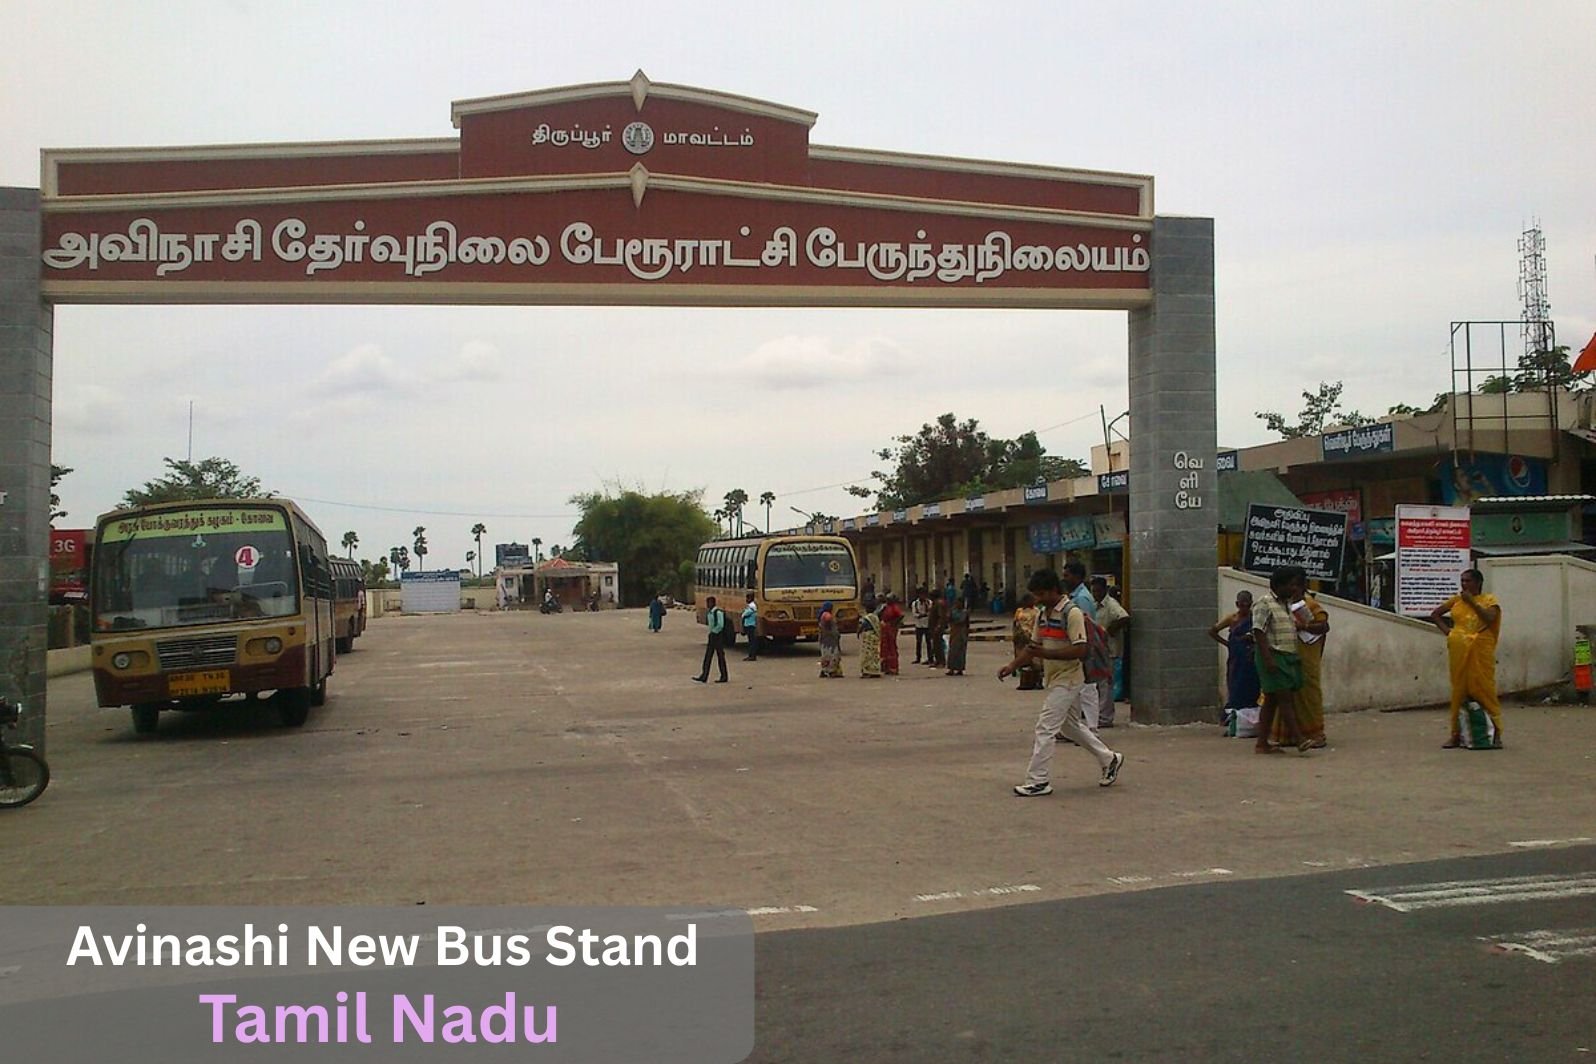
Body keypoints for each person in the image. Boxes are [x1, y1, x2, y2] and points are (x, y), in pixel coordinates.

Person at [1001, 568, 1125, 796]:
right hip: (1054, 677)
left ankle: (1038, 780)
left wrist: (1046, 654)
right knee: (1070, 727)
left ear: (1053, 591)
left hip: (1069, 679)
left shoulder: (1072, 613)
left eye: (1040, 594)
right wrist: (1013, 666)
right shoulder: (1043, 615)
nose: (1037, 600)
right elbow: (1033, 647)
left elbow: (1080, 649)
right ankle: (1109, 758)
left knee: (1045, 727)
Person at [1429, 568, 1503, 748]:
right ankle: (1455, 734)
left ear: (1478, 582)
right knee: (1459, 691)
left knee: (1484, 689)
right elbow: (1435, 614)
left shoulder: (1489, 600)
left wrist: (1473, 603)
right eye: (1462, 581)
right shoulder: (1456, 601)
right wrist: (1450, 633)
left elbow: (1489, 619)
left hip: (1480, 650)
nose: (1464, 584)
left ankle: (1496, 734)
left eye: (1468, 581)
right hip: (1459, 650)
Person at [1250, 568, 1312, 754]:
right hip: (1272, 654)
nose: (1294, 588)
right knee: (1285, 698)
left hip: (1286, 655)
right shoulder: (1264, 603)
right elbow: (1258, 631)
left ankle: (1262, 743)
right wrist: (1268, 660)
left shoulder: (1287, 604)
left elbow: (1309, 620)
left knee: (1272, 701)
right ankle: (1299, 738)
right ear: (1279, 585)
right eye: (1291, 584)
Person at [1275, 577, 1329, 748]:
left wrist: (1302, 627)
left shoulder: (1311, 606)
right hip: (1289, 655)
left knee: (1309, 696)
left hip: (1307, 657)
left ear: (1302, 587)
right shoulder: (1284, 605)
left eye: (1294, 586)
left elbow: (1323, 627)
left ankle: (1315, 734)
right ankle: (1290, 736)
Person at [1209, 590, 1261, 721]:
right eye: (1241, 605)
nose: (1244, 608)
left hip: (1251, 658)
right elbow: (1212, 631)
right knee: (1235, 685)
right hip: (1236, 659)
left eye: (1247, 605)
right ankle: (1232, 716)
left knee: (1252, 687)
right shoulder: (1231, 619)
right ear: (1237, 604)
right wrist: (1227, 644)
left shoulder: (1255, 618)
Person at [1090, 577, 1130, 727]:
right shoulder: (1094, 605)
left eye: (1098, 591)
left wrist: (1111, 630)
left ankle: (1105, 718)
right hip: (1098, 650)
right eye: (1093, 591)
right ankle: (1099, 714)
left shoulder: (1111, 605)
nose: (1095, 594)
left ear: (1104, 590)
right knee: (1098, 685)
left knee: (1106, 685)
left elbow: (1124, 617)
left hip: (1110, 651)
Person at [692, 595, 730, 684]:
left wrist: (714, 632)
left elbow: (721, 625)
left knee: (720, 656)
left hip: (717, 636)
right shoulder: (710, 613)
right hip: (712, 635)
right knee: (708, 657)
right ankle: (704, 676)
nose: (707, 605)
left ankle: (724, 676)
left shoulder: (718, 612)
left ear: (713, 603)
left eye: (708, 603)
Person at [1011, 593, 1042, 690]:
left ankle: (1037, 681)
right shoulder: (1019, 611)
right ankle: (1026, 681)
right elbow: (1015, 623)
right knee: (1022, 658)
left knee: (1034, 660)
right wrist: (1015, 635)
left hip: (1032, 636)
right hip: (1021, 636)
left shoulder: (1037, 611)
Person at [817, 600, 843, 678]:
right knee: (833, 655)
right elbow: (828, 619)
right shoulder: (827, 615)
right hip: (830, 640)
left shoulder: (822, 614)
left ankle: (825, 670)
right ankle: (831, 671)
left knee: (825, 655)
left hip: (825, 640)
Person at [879, 594, 904, 675]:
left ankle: (893, 668)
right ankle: (886, 667)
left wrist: (893, 623)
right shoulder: (885, 607)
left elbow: (900, 615)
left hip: (891, 628)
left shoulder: (894, 607)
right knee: (884, 647)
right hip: (885, 628)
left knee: (891, 647)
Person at [857, 606, 882, 678]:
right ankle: (875, 670)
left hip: (868, 637)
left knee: (867, 655)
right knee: (874, 654)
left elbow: (862, 626)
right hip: (874, 637)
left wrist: (858, 632)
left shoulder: (867, 618)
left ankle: (867, 671)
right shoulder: (875, 617)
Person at [927, 594, 948, 668]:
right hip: (934, 627)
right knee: (935, 645)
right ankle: (938, 660)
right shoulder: (936, 603)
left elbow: (941, 616)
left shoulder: (939, 604)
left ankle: (941, 661)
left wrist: (938, 626)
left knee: (938, 645)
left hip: (937, 628)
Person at [910, 589, 931, 664]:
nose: (923, 596)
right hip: (919, 625)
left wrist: (922, 615)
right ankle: (918, 657)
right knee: (918, 642)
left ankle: (930, 658)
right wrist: (923, 615)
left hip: (927, 624)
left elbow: (930, 613)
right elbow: (915, 614)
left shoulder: (929, 603)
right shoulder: (915, 603)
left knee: (928, 642)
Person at [741, 591, 760, 661]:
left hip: (750, 625)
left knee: (752, 641)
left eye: (748, 598)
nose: (746, 600)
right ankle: (751, 655)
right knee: (751, 641)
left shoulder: (752, 606)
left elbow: (744, 614)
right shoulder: (751, 606)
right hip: (749, 625)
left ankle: (752, 655)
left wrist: (743, 614)